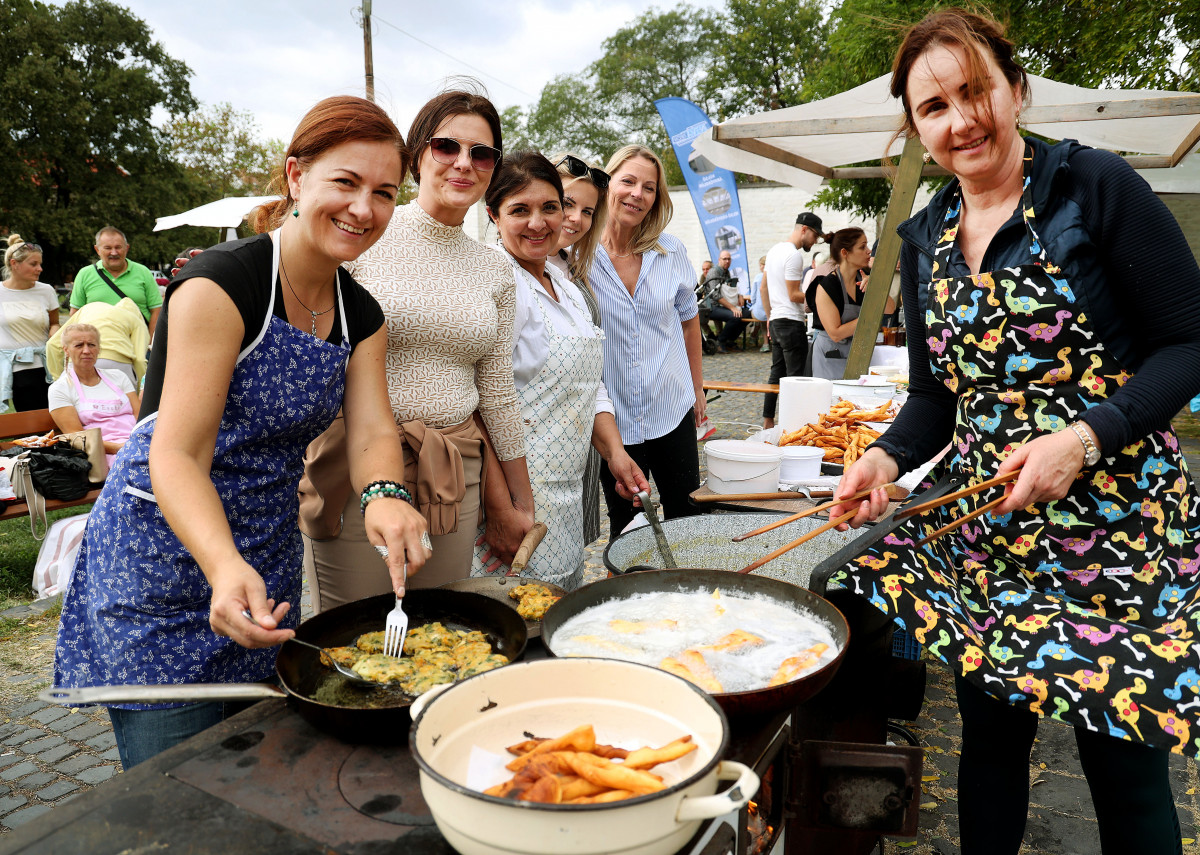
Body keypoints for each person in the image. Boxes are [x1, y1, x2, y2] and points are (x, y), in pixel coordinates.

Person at [826, 10, 1200, 854]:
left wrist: (1087, 437)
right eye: (934, 107)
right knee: (990, 747)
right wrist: (882, 457)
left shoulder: (1093, 187)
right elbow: (934, 396)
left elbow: (1189, 340)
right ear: (914, 126)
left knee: (1125, 766)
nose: (961, 120)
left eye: (975, 90)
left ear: (1015, 88)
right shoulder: (923, 240)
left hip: (1121, 533)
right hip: (995, 537)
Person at [53, 96, 430, 770]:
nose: (364, 208)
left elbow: (374, 428)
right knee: (176, 785)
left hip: (263, 551)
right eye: (344, 182)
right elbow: (177, 451)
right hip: (164, 553)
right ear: (295, 176)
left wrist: (384, 493)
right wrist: (222, 564)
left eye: (384, 192)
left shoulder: (361, 314)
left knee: (255, 764)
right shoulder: (221, 284)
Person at [299, 87, 535, 610]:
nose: (463, 163)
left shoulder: (495, 268)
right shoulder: (364, 231)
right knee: (355, 633)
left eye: (482, 153)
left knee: (442, 625)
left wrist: (520, 500)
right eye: (446, 146)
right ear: (416, 154)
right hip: (358, 467)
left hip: (455, 471)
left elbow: (494, 390)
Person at [471, 152, 648, 588]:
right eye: (520, 210)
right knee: (511, 625)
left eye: (550, 207)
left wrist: (615, 453)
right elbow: (474, 404)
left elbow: (591, 387)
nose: (539, 223)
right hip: (513, 498)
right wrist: (500, 509)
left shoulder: (565, 286)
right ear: (494, 215)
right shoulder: (498, 283)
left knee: (555, 609)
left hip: (565, 493)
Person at [592, 144, 705, 535]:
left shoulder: (671, 251)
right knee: (629, 529)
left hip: (670, 408)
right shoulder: (577, 257)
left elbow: (690, 323)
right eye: (628, 181)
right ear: (607, 185)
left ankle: (690, 592)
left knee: (687, 518)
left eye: (649, 187)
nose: (637, 194)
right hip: (614, 421)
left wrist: (698, 389)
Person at [546, 152, 610, 547]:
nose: (576, 218)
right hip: (539, 442)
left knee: (571, 547)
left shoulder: (572, 270)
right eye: (567, 203)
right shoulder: (509, 267)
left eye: (587, 211)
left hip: (581, 432)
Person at [761, 212, 827, 428]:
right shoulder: (794, 255)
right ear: (804, 229)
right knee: (795, 379)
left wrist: (770, 316)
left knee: (776, 374)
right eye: (815, 235)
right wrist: (821, 297)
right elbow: (793, 295)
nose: (815, 241)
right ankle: (793, 427)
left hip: (778, 321)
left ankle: (768, 422)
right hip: (791, 322)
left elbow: (764, 288)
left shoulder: (773, 251)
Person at [808, 228, 896, 380]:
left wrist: (876, 287)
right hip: (830, 357)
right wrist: (869, 317)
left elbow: (890, 308)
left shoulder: (864, 280)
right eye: (862, 247)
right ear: (845, 253)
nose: (869, 251)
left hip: (857, 355)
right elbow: (835, 333)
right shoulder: (827, 286)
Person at [48, 324, 139, 463]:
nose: (86, 350)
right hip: (102, 456)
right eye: (79, 345)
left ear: (99, 349)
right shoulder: (60, 389)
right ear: (66, 350)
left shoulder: (118, 377)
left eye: (91, 345)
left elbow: (140, 417)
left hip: (137, 445)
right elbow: (78, 438)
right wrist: (122, 448)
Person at [0, 235, 59, 411]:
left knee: (55, 419)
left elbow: (55, 323)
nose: (40, 269)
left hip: (49, 367)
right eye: (33, 264)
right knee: (32, 423)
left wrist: (55, 332)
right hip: (18, 370)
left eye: (40, 264)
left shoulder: (46, 291)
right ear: (14, 264)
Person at [70, 227, 163, 334]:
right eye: (108, 248)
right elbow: (75, 314)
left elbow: (156, 310)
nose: (114, 253)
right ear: (97, 250)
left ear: (127, 248)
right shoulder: (85, 274)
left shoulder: (143, 272)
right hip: (97, 347)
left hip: (137, 347)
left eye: (118, 247)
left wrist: (150, 344)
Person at [46, 298, 148, 388]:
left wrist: (59, 378)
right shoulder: (136, 320)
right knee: (126, 408)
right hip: (119, 365)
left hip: (78, 362)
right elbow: (140, 360)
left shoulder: (88, 308)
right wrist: (141, 391)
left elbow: (53, 345)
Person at [700, 250, 743, 353]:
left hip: (721, 305)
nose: (727, 261)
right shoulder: (714, 272)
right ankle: (720, 341)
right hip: (711, 307)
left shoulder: (726, 272)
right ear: (719, 260)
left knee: (746, 314)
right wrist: (732, 308)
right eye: (724, 259)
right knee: (735, 316)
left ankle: (729, 341)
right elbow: (715, 295)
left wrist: (740, 295)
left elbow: (730, 288)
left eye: (729, 259)